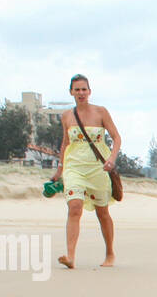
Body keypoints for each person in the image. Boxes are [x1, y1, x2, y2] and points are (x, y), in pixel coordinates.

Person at [51, 74, 121, 268]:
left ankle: (110, 253)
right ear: (71, 92)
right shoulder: (67, 116)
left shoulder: (101, 112)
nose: (81, 93)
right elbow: (65, 143)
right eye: (77, 89)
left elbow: (117, 138)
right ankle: (71, 257)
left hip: (97, 168)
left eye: (84, 89)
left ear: (89, 92)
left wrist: (111, 159)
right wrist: (60, 170)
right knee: (74, 207)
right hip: (74, 167)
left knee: (102, 212)